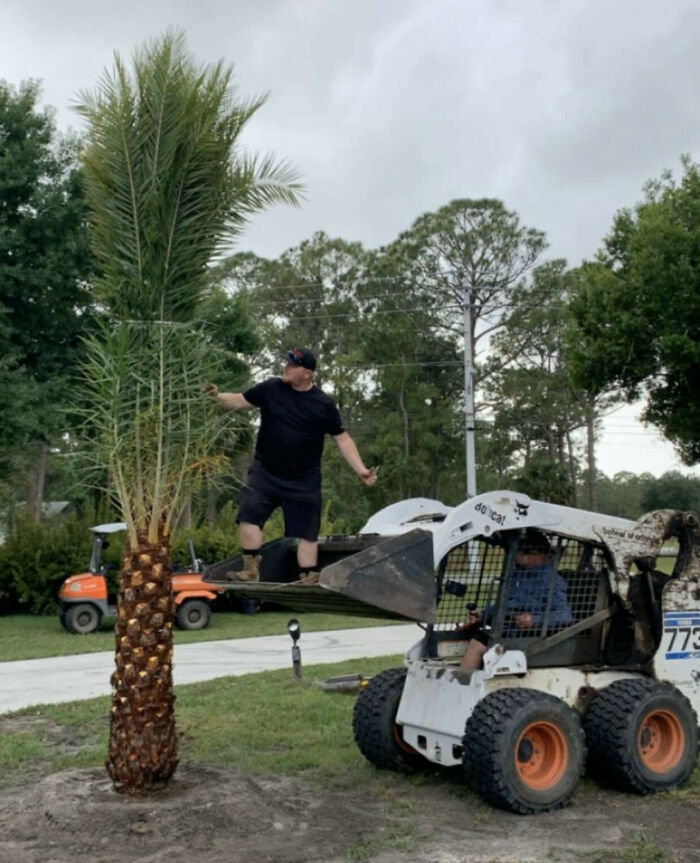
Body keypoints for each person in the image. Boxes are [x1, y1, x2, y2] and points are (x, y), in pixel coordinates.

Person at [204, 347, 377, 584]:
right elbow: (241, 400)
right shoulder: (271, 388)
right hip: (266, 472)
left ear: (307, 373)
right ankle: (251, 570)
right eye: (287, 363)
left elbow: (342, 438)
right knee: (248, 513)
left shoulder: (323, 404)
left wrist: (361, 470)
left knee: (307, 533)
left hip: (303, 479)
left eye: (292, 365)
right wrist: (216, 396)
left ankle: (308, 576)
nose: (286, 368)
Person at [460, 528, 572, 670]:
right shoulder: (518, 575)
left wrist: (533, 620)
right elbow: (507, 606)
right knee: (478, 637)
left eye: (517, 551)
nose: (514, 556)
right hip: (511, 630)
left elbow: (565, 616)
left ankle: (462, 685)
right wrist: (483, 615)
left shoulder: (551, 580)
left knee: (477, 644)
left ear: (532, 554)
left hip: (532, 637)